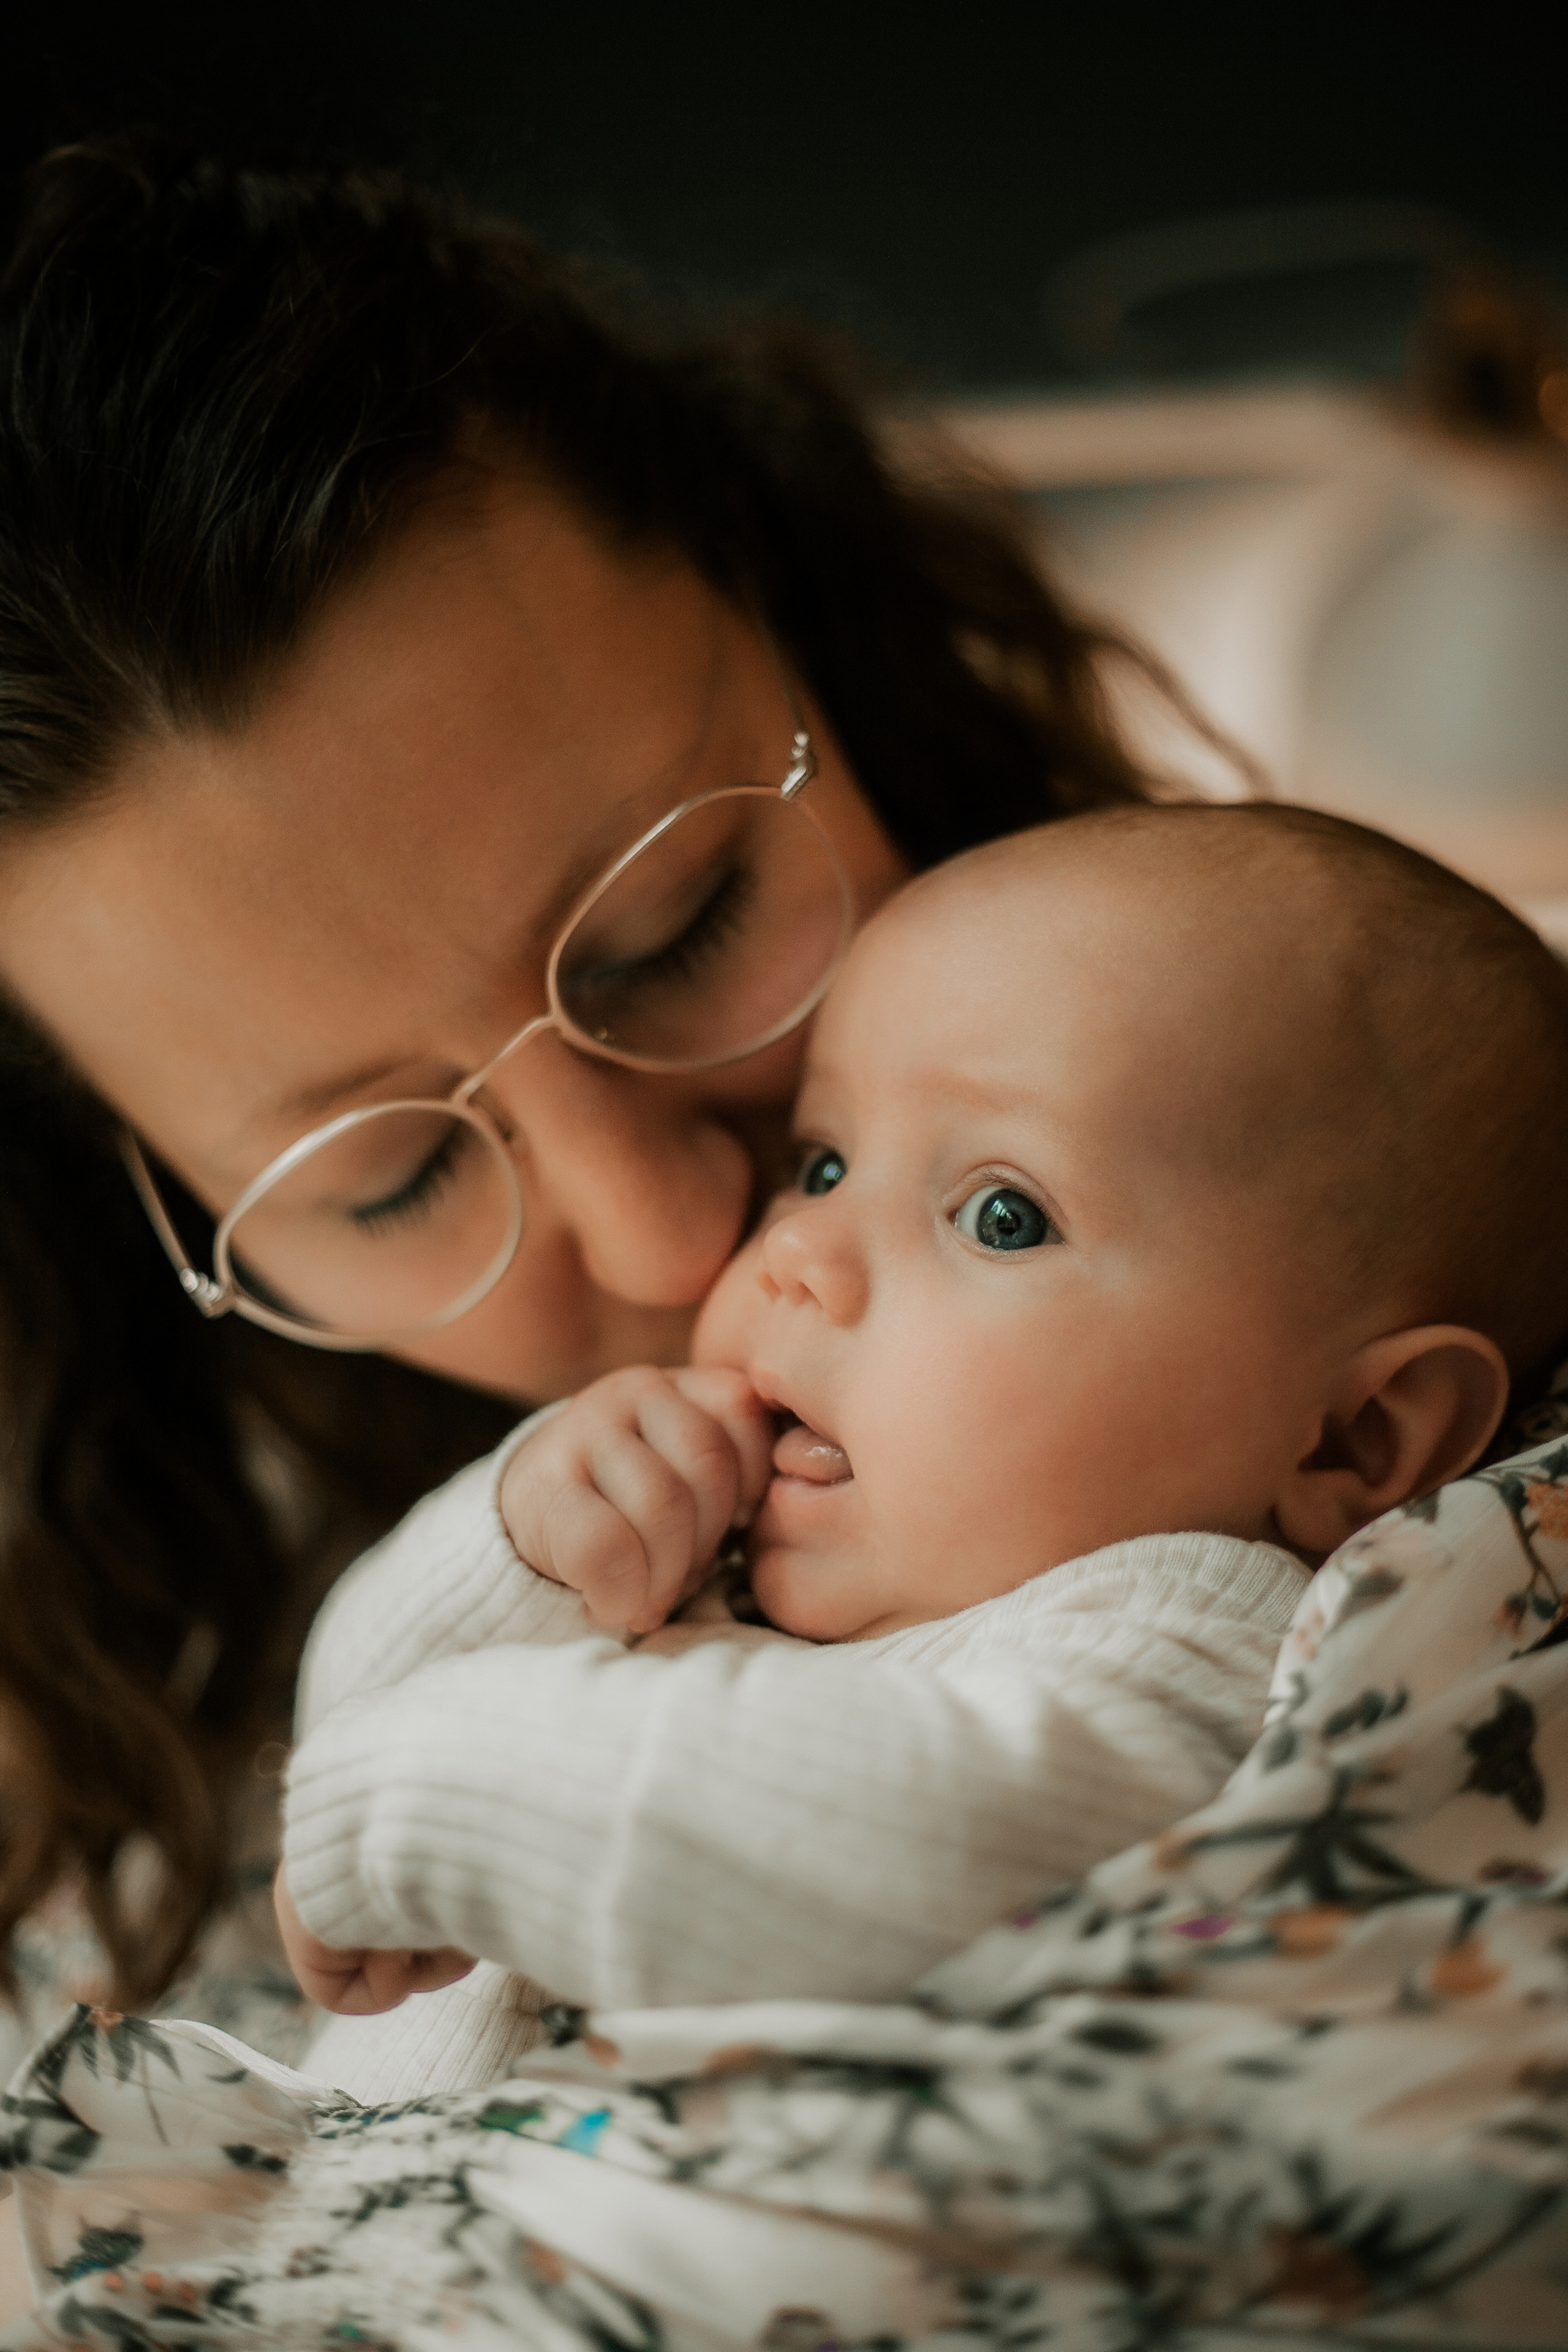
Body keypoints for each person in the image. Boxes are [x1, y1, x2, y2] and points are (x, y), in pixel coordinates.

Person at [0, 131, 1174, 2069]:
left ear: (820, 633)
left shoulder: (1422, 1163)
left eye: (681, 921)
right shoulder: (126, 1828)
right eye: (383, 1184)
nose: (673, 1230)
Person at [269, 804, 1568, 2087]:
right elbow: (339, 1733)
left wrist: (417, 1805)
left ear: (1350, 1439)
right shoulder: (719, 1533)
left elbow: (875, 1851)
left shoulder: (1186, 1655)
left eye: (999, 1214)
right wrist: (528, 1539)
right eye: (823, 1163)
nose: (797, 1254)